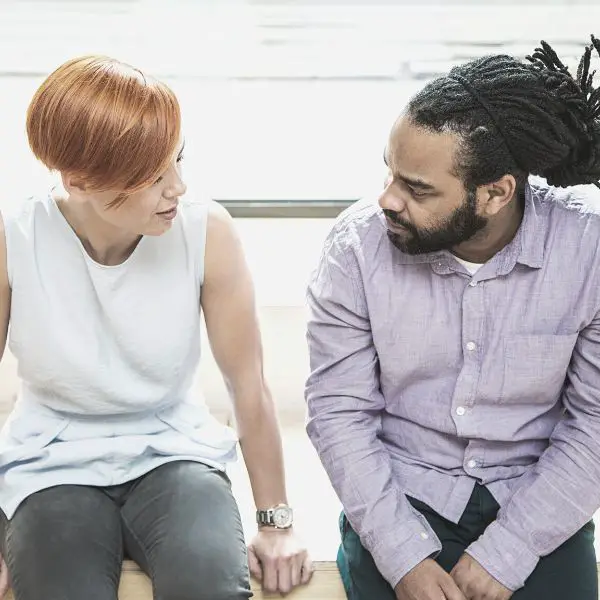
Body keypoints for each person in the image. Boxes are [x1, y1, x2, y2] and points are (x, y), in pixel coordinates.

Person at [0, 55, 313, 600]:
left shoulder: (206, 230)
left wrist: (276, 522)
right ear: (79, 182)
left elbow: (248, 383)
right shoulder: (15, 236)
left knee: (210, 585)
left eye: (178, 160)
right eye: (152, 178)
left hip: (174, 451)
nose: (178, 187)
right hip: (50, 461)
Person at [305, 35, 600, 600]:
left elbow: (594, 424)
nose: (388, 200)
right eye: (390, 173)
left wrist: (510, 549)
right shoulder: (355, 248)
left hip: (535, 496)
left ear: (495, 194)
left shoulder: (587, 246)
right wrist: (402, 557)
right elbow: (339, 413)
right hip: (402, 492)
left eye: (417, 189)